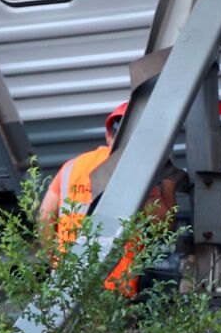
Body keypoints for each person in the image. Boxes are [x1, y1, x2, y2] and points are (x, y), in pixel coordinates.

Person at [39, 102, 177, 296]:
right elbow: (162, 223)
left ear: (108, 135)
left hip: (65, 283)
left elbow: (45, 216)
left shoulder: (72, 166)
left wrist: (54, 261)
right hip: (113, 287)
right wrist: (169, 184)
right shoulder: (137, 170)